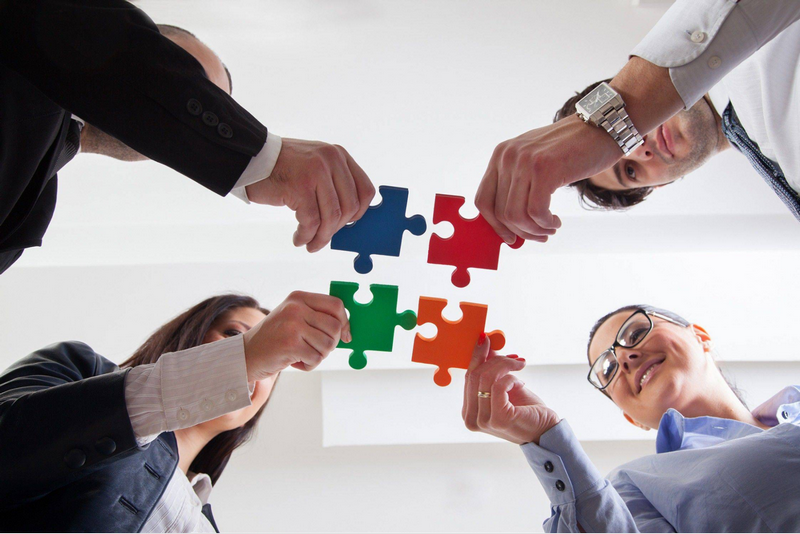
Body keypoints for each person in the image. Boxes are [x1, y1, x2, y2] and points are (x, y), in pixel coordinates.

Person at [0, 0, 375, 276]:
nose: (188, 108)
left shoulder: (30, 209)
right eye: (189, 79)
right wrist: (263, 157)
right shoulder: (42, 30)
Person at [0, 290, 350, 532]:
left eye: (272, 366)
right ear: (188, 338)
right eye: (233, 334)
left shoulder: (203, 518)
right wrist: (241, 358)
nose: (262, 363)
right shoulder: (78, 366)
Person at [475, 0, 800, 244]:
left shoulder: (753, 51)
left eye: (618, 143)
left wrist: (614, 115)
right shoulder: (774, 160)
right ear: (660, 184)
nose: (635, 148)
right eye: (629, 171)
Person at [462, 305, 800, 532]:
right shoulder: (633, 486)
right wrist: (545, 438)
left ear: (700, 335)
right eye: (607, 368)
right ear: (631, 419)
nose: (625, 357)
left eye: (635, 333)